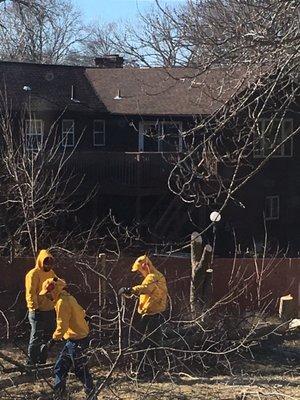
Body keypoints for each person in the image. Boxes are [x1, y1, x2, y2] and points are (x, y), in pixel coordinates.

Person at [39, 277, 95, 400]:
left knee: (81, 371)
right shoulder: (69, 298)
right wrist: (85, 318)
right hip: (74, 340)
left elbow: (62, 326)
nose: (47, 296)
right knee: (60, 367)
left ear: (53, 290)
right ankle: (59, 395)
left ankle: (92, 396)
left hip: (76, 341)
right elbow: (81, 312)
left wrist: (52, 341)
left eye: (47, 293)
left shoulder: (61, 302)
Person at [118, 255, 168, 379]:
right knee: (153, 343)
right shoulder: (157, 276)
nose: (140, 272)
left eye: (140, 269)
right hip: (154, 313)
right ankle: (152, 371)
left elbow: (145, 288)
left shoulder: (152, 277)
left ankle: (146, 371)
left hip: (152, 314)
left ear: (145, 266)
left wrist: (130, 290)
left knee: (143, 343)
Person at [25, 249, 57, 365]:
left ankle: (42, 360)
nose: (48, 265)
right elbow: (30, 293)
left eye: (50, 263)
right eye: (46, 262)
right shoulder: (33, 274)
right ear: (41, 261)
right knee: (36, 336)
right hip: (37, 310)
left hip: (49, 309)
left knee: (48, 336)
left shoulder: (51, 273)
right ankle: (31, 362)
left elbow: (56, 286)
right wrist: (34, 308)